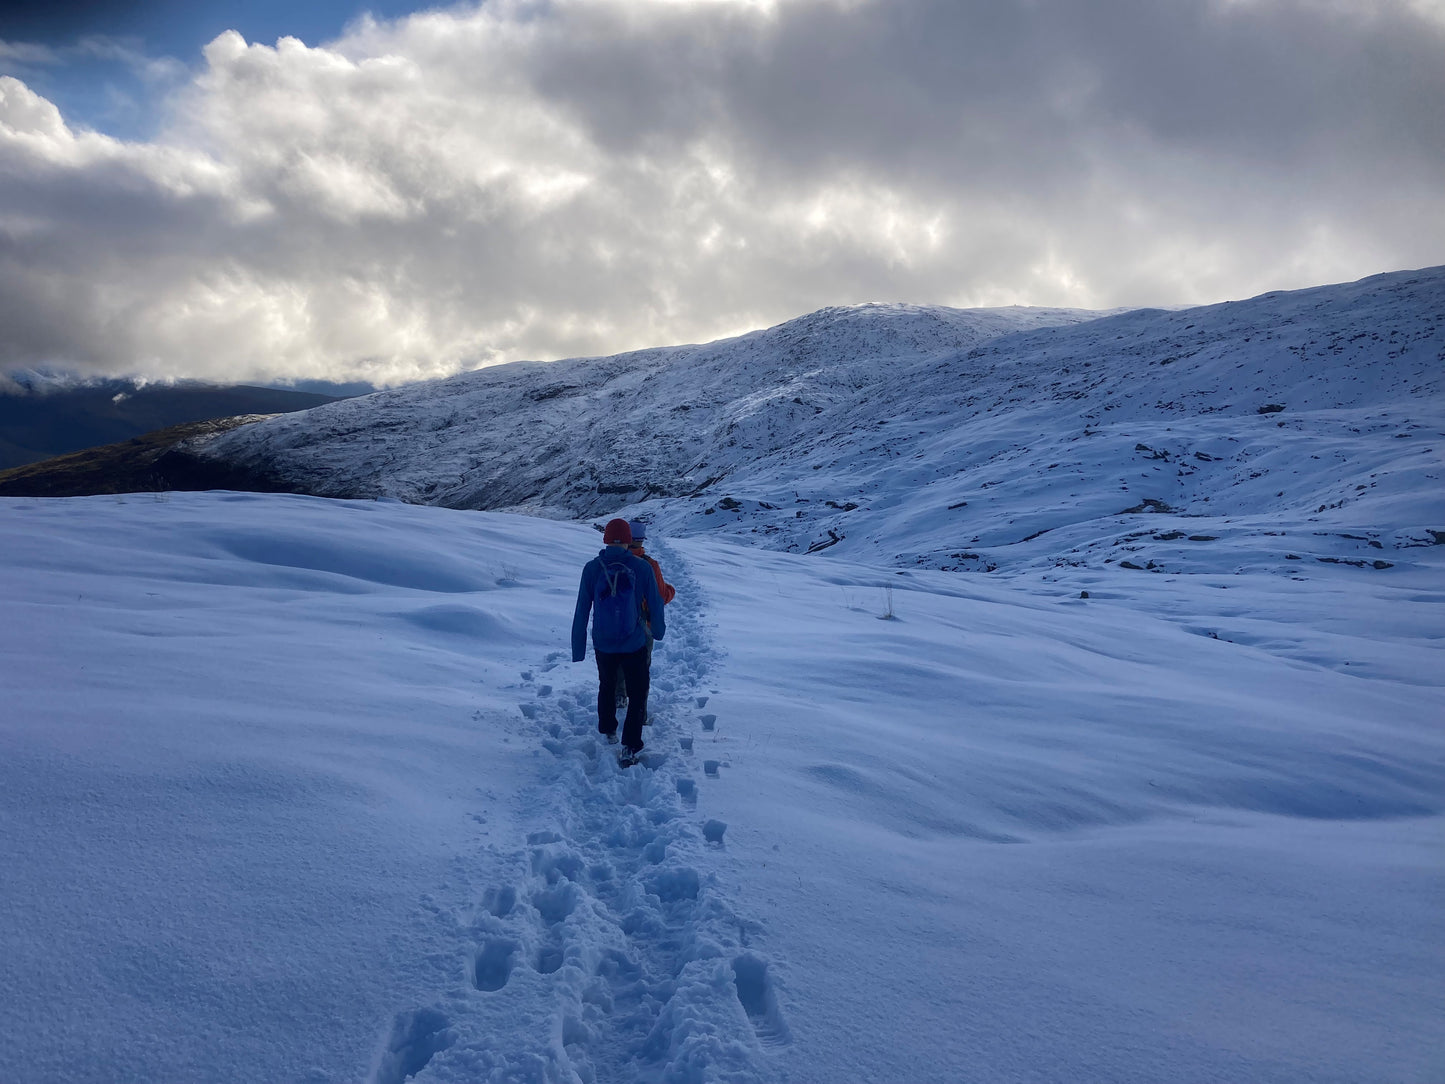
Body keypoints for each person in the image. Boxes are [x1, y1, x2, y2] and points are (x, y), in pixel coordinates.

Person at [572, 518, 666, 760]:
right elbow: (655, 603)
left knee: (607, 684)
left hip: (603, 642)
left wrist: (578, 648)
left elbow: (582, 609)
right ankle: (630, 745)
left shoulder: (591, 568)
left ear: (605, 539)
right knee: (637, 691)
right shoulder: (642, 567)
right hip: (633, 641)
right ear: (628, 540)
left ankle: (608, 729)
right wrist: (658, 631)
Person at [616, 519, 676, 714]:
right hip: (643, 626)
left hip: (615, 623)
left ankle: (618, 696)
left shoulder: (613, 561)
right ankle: (638, 710)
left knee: (617, 661)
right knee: (641, 669)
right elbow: (659, 597)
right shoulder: (650, 564)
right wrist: (671, 591)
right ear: (641, 540)